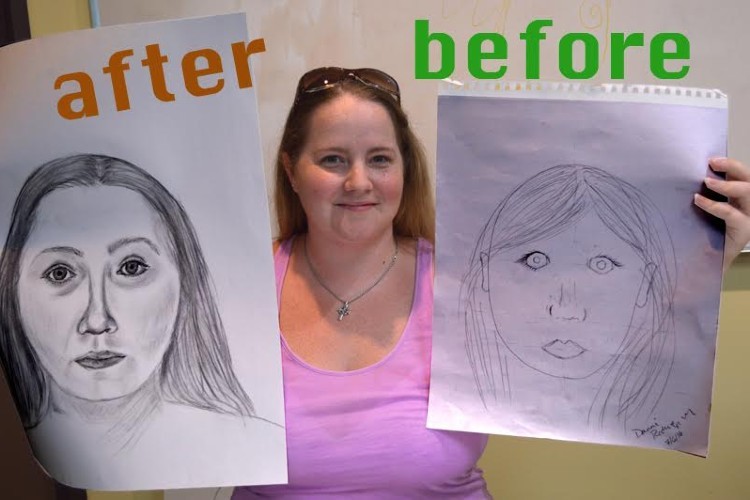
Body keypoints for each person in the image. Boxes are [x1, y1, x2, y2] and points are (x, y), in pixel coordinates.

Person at [234, 66, 750, 498]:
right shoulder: (232, 290)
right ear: (291, 169)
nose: (359, 182)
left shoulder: (470, 283)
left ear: (405, 169)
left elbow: (616, 350)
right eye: (332, 160)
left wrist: (700, 258)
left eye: (379, 159)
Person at [0, 154, 281, 488]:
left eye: (131, 267)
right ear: (12, 291)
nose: (97, 319)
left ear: (185, 283)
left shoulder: (254, 442)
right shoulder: (14, 458)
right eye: (60, 273)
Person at [462, 164, 677, 431]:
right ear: (485, 272)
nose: (566, 308)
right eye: (536, 261)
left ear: (646, 282)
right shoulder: (457, 394)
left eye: (602, 265)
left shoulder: (658, 416)